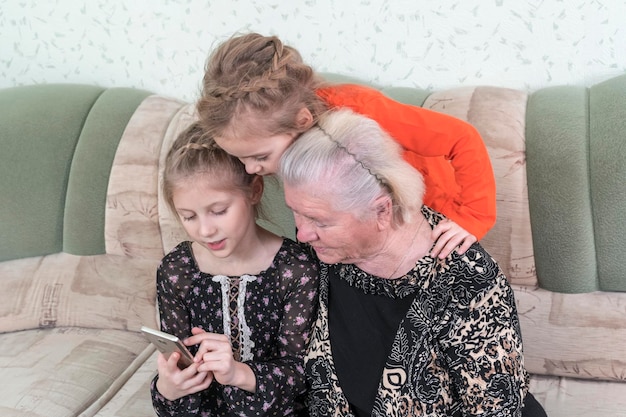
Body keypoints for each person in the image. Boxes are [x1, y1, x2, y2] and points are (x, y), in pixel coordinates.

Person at [277, 109, 547, 417]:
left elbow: (497, 410)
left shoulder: (468, 282)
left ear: (381, 211)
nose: (302, 232)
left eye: (318, 221)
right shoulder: (324, 253)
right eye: (295, 212)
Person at [196, 32, 496, 260]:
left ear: (303, 121)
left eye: (260, 157)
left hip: (431, 215)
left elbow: (461, 137)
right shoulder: (269, 138)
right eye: (241, 159)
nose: (252, 169)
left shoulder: (363, 110)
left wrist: (472, 217)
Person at [150, 122, 319, 416]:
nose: (205, 230)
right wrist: (170, 387)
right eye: (188, 216)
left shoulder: (296, 269)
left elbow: (302, 374)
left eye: (219, 211)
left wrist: (237, 373)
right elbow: (177, 365)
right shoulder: (177, 271)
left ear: (254, 191)